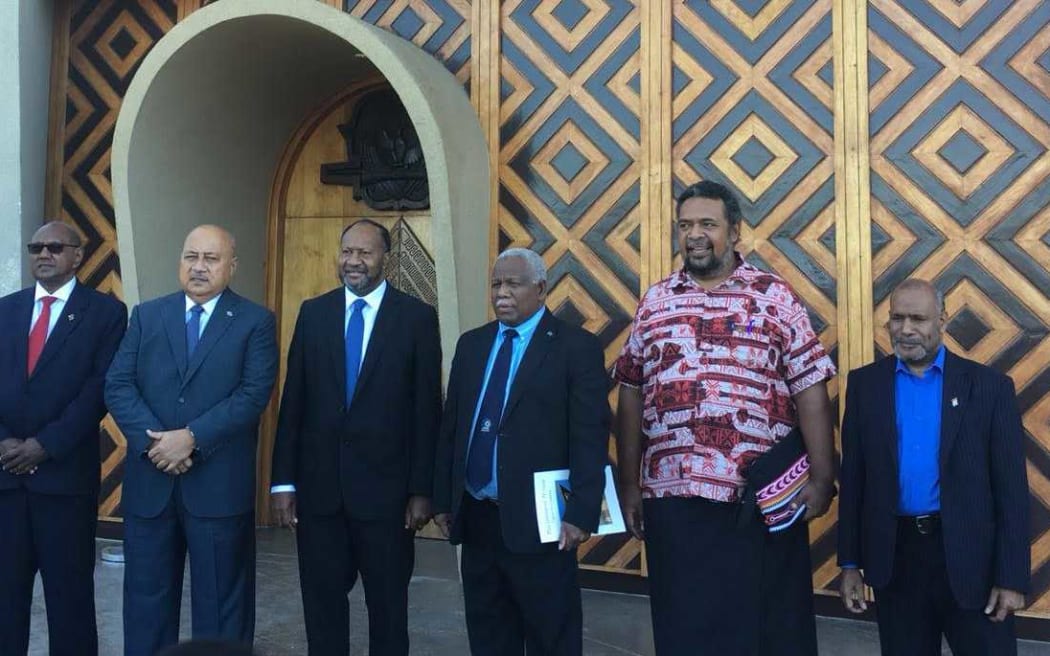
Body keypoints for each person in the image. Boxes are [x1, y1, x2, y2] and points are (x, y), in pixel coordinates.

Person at [613, 181, 837, 655]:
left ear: (734, 232)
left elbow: (810, 388)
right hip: (672, 497)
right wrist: (629, 483)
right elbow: (631, 390)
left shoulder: (775, 297)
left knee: (761, 630)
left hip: (753, 500)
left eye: (707, 224)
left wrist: (822, 477)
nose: (694, 235)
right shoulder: (655, 301)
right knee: (684, 627)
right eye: (685, 225)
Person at [269, 219, 442, 656]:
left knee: (388, 612)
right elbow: (294, 403)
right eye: (347, 251)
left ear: (386, 258)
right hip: (320, 496)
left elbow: (427, 411)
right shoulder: (314, 313)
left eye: (365, 252)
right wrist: (283, 482)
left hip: (388, 500)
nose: (353, 261)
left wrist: (422, 490)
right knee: (322, 609)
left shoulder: (417, 318)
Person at [105, 225, 278, 656]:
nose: (199, 267)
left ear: (232, 266)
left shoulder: (255, 321)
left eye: (211, 258)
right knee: (145, 608)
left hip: (218, 489)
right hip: (152, 486)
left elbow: (253, 394)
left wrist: (192, 438)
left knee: (221, 612)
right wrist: (156, 445)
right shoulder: (148, 315)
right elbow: (119, 384)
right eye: (191, 257)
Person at [433, 247, 610, 656]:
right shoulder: (472, 345)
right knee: (489, 636)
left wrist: (582, 511)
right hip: (478, 517)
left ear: (541, 289)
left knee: (551, 637)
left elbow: (589, 436)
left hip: (543, 525)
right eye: (496, 284)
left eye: (513, 284)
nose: (502, 293)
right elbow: (452, 428)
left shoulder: (575, 347)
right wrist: (444, 497)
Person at [837, 278, 1029, 655]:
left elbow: (1012, 491)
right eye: (897, 318)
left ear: (942, 319)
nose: (906, 329)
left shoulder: (989, 388)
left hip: (972, 561)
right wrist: (849, 563)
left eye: (918, 319)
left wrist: (1011, 578)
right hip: (896, 559)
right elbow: (854, 480)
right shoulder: (865, 386)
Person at [0, 221, 127, 656]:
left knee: (69, 602)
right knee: (5, 601)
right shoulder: (6, 309)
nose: (44, 254)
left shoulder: (105, 313)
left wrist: (45, 445)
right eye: (36, 247)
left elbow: (99, 390)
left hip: (65, 484)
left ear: (78, 255)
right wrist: (4, 441)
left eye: (55, 247)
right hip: (6, 483)